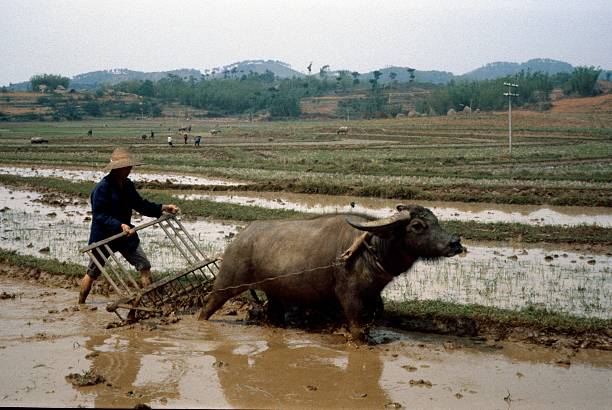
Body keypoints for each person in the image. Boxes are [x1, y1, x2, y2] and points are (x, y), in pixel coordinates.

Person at [78, 147, 180, 304]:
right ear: (116, 168)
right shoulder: (102, 188)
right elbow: (100, 215)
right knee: (92, 272)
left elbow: (140, 205)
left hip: (125, 236)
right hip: (104, 236)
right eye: (125, 167)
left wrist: (163, 208)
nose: (129, 169)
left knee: (144, 266)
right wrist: (120, 225)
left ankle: (153, 303)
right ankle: (81, 305)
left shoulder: (127, 185)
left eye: (129, 166)